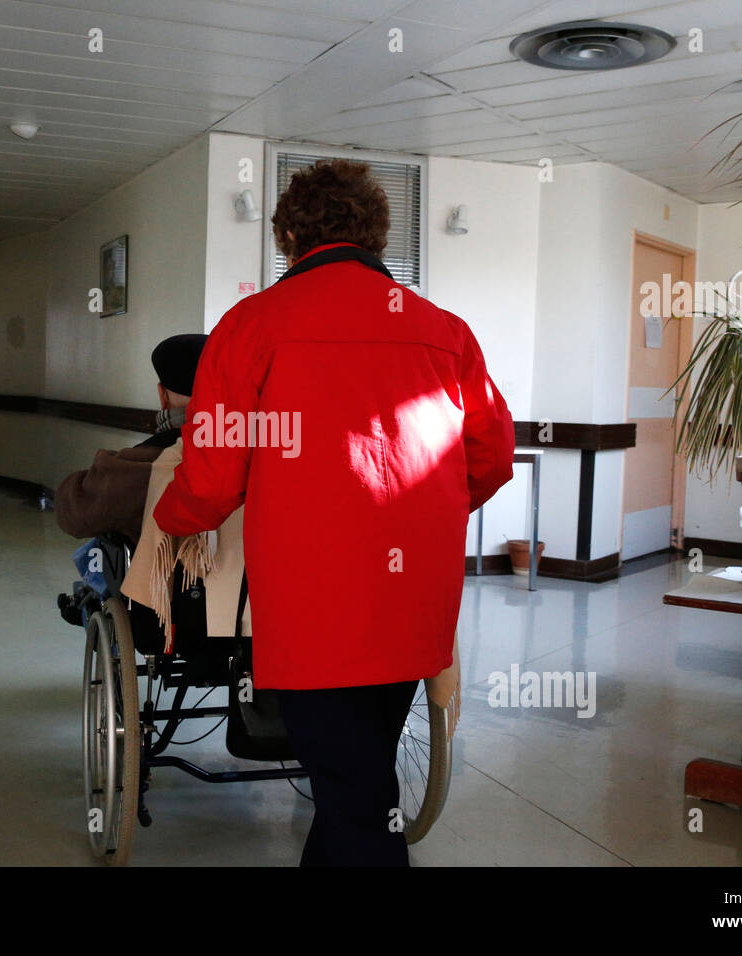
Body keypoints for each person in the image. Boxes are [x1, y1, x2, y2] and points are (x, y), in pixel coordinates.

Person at [153, 159, 514, 867]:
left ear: (290, 234)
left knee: (355, 797)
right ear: (377, 234)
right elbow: (493, 457)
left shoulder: (253, 325)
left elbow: (213, 473)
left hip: (315, 604)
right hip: (414, 600)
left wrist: (170, 522)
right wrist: (428, 512)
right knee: (359, 777)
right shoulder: (445, 331)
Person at [54, 333, 207, 544]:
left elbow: (73, 514)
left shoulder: (143, 464)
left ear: (162, 396)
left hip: (170, 577)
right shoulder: (259, 446)